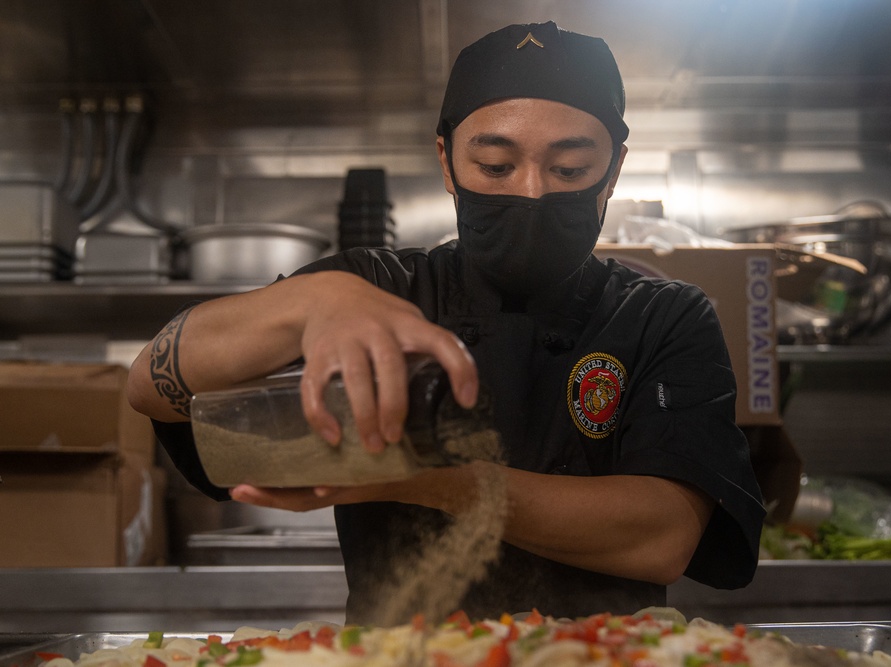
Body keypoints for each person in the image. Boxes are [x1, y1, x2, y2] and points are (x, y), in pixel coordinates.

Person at [128, 21, 765, 623]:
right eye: (494, 165)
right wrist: (309, 303)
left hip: (602, 656)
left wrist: (430, 480)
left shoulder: (664, 316)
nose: (532, 192)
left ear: (614, 171)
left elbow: (662, 537)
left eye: (570, 169)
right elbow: (149, 386)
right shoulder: (374, 287)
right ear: (446, 162)